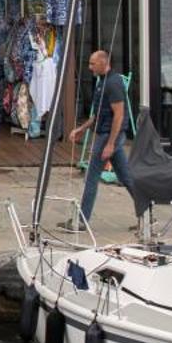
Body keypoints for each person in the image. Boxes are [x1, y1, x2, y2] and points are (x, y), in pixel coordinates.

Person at [67, 49, 136, 230]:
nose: (89, 67)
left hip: (109, 135)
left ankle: (81, 221)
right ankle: (147, 215)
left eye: (92, 64)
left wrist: (111, 144)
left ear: (104, 63)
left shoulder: (114, 83)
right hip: (104, 132)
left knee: (91, 176)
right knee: (126, 177)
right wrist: (81, 129)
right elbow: (97, 115)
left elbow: (119, 116)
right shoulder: (101, 82)